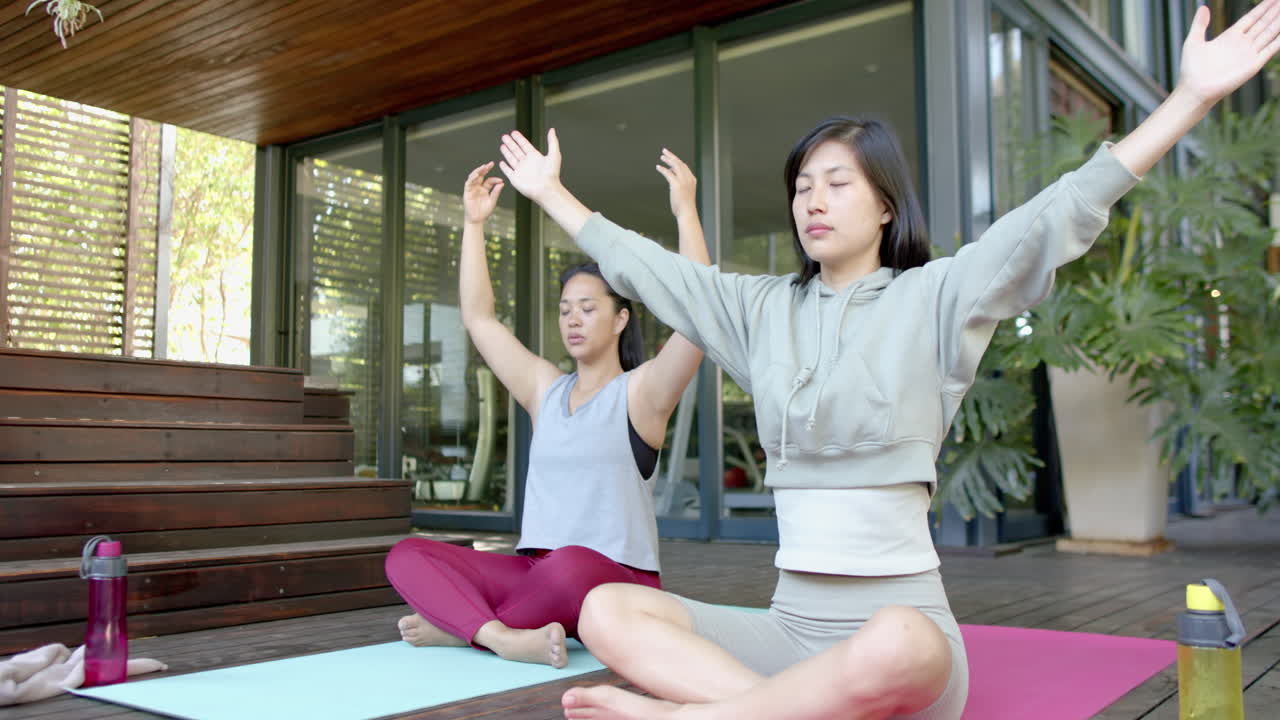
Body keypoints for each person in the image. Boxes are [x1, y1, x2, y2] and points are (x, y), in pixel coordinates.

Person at [495, 2, 1280, 716]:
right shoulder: (760, 310)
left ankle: (703, 716)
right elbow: (655, 273)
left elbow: (1058, 214)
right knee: (607, 610)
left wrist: (1190, 100)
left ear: (885, 205)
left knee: (902, 642)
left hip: (897, 632)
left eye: (837, 182)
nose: (813, 200)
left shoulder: (938, 297)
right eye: (803, 186)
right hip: (788, 630)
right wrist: (553, 196)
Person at [384, 149, 710, 668]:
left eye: (588, 308)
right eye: (564, 310)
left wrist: (686, 211)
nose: (573, 320)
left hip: (613, 578)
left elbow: (699, 316)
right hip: (535, 572)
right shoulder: (545, 389)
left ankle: (465, 626)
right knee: (409, 554)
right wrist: (473, 224)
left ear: (622, 319)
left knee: (570, 567)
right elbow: (479, 318)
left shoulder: (641, 394)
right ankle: (500, 635)